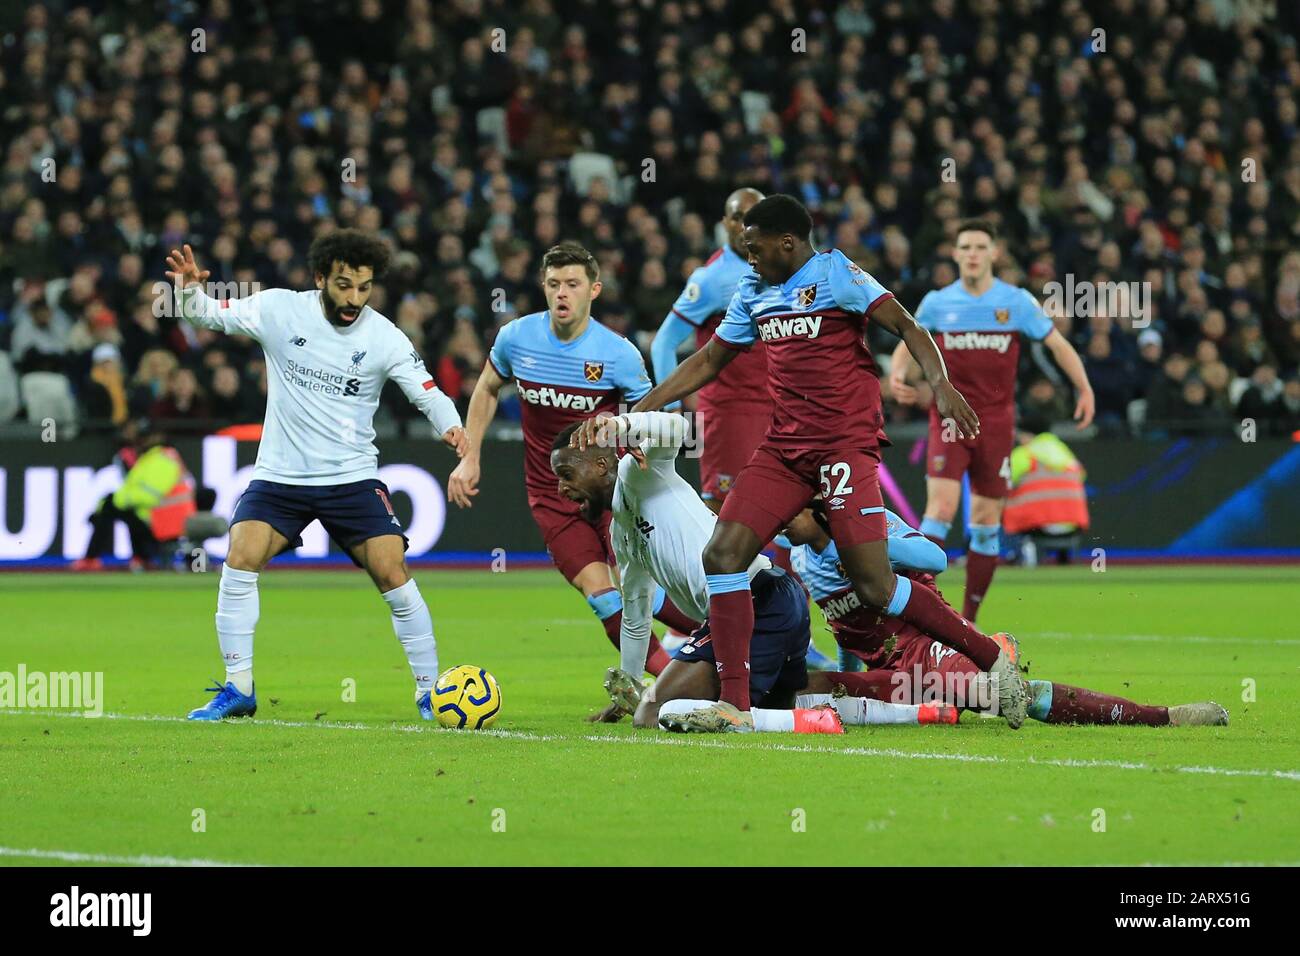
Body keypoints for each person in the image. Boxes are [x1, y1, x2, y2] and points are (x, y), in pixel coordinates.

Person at [621, 194, 1029, 731]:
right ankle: (737, 708)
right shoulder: (752, 292)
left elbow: (907, 325)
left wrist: (942, 385)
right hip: (785, 450)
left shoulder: (836, 274)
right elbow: (712, 358)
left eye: (755, 247)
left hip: (842, 447)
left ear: (786, 242)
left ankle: (991, 659)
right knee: (722, 555)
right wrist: (645, 406)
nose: (749, 258)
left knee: (875, 586)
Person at [165, 231, 467, 720]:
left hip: (351, 477)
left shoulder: (384, 336)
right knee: (239, 559)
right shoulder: (280, 309)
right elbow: (207, 316)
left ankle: (430, 692)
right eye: (344, 285)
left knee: (393, 573)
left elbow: (426, 391)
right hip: (280, 476)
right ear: (320, 277)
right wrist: (187, 291)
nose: (353, 300)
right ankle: (239, 688)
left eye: (364, 288)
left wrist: (453, 428)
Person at [448, 242, 699, 678]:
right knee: (602, 595)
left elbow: (653, 418)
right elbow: (487, 388)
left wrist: (642, 457)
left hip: (613, 490)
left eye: (572, 284)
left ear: (593, 289)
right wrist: (470, 456)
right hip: (551, 492)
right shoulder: (515, 339)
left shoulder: (618, 354)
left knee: (642, 589)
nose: (561, 293)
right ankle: (666, 683)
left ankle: (736, 645)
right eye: (553, 284)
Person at [783, 507, 1228, 728]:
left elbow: (934, 557)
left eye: (792, 511)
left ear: (818, 505)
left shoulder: (869, 521)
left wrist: (865, 550)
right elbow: (845, 626)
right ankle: (985, 661)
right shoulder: (800, 558)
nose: (781, 521)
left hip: (932, 648)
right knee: (809, 688)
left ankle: (1163, 716)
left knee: (1013, 698)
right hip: (893, 674)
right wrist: (846, 670)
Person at [554, 411, 857, 734]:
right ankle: (876, 707)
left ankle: (811, 719)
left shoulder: (638, 471)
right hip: (770, 602)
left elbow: (680, 427)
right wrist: (627, 690)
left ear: (601, 466)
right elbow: (636, 614)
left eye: (567, 474)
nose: (561, 488)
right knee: (770, 707)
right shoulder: (621, 532)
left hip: (756, 601)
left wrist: (622, 426)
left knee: (652, 714)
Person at [888, 219, 1095, 622]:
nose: (972, 254)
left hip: (996, 426)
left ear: (994, 253)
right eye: (965, 247)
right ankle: (923, 612)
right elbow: (908, 336)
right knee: (940, 510)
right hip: (949, 418)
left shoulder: (1015, 302)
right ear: (955, 253)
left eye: (980, 247)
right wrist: (896, 374)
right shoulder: (937, 302)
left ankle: (967, 620)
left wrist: (1083, 387)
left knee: (985, 523)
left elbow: (1057, 344)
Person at [72, 419, 195, 571]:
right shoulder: (150, 458)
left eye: (145, 436)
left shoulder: (163, 459)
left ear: (158, 437)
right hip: (156, 517)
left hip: (167, 521)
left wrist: (115, 501)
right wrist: (110, 502)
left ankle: (92, 559)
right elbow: (130, 489)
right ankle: (141, 557)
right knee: (112, 508)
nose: (141, 440)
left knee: (113, 509)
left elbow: (149, 496)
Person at [1002, 416, 1090, 564]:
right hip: (1073, 523)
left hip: (1036, 523)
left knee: (992, 505)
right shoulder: (1064, 452)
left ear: (1027, 434)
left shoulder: (1023, 453)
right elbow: (1081, 476)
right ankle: (1063, 557)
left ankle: (1014, 553)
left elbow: (1002, 483)